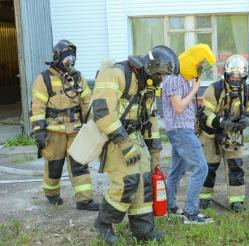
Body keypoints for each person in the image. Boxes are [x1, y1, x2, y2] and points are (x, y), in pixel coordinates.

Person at [92, 45, 179, 244]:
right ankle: (103, 224)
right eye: (161, 74)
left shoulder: (149, 85)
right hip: (112, 138)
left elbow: (151, 119)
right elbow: (102, 114)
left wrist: (155, 153)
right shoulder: (116, 74)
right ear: (151, 67)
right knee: (128, 181)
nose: (161, 79)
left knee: (145, 180)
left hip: (135, 137)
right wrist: (124, 143)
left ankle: (143, 230)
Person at [30, 39, 99, 210]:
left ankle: (85, 200)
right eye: (67, 57)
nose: (71, 61)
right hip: (54, 131)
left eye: (72, 57)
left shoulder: (77, 77)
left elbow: (87, 103)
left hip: (75, 129)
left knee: (79, 164)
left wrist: (93, 126)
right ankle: (52, 194)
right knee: (54, 165)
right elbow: (37, 107)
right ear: (57, 58)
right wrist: (39, 131)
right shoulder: (43, 79)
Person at [197, 54, 249, 212]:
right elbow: (204, 113)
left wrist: (248, 119)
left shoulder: (246, 91)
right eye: (232, 76)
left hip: (233, 136)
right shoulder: (215, 89)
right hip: (211, 135)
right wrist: (220, 122)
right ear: (226, 74)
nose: (235, 80)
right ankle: (204, 198)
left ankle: (236, 200)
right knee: (208, 167)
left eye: (239, 77)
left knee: (235, 168)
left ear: (244, 77)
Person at [162, 44, 216, 224]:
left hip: (182, 129)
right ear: (193, 60)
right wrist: (194, 90)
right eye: (201, 64)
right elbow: (177, 108)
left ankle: (170, 207)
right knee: (201, 167)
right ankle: (191, 213)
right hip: (180, 130)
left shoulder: (184, 77)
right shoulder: (174, 77)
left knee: (177, 171)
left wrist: (194, 100)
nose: (201, 69)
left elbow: (181, 103)